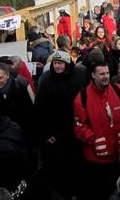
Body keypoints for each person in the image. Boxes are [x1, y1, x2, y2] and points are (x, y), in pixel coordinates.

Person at [73, 61, 120, 200]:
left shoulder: (119, 90)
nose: (105, 76)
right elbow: (79, 126)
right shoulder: (82, 97)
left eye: (107, 73)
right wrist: (94, 139)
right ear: (93, 75)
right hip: (96, 160)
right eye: (101, 74)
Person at [35, 50, 86, 199]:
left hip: (75, 129)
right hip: (55, 132)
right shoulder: (46, 80)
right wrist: (45, 133)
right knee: (59, 166)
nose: (57, 66)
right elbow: (40, 109)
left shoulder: (78, 78)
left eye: (60, 63)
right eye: (55, 63)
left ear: (67, 64)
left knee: (76, 163)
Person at [0, 63, 35, 149]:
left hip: (20, 135)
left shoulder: (20, 90)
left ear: (7, 76)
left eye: (0, 77)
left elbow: (29, 114)